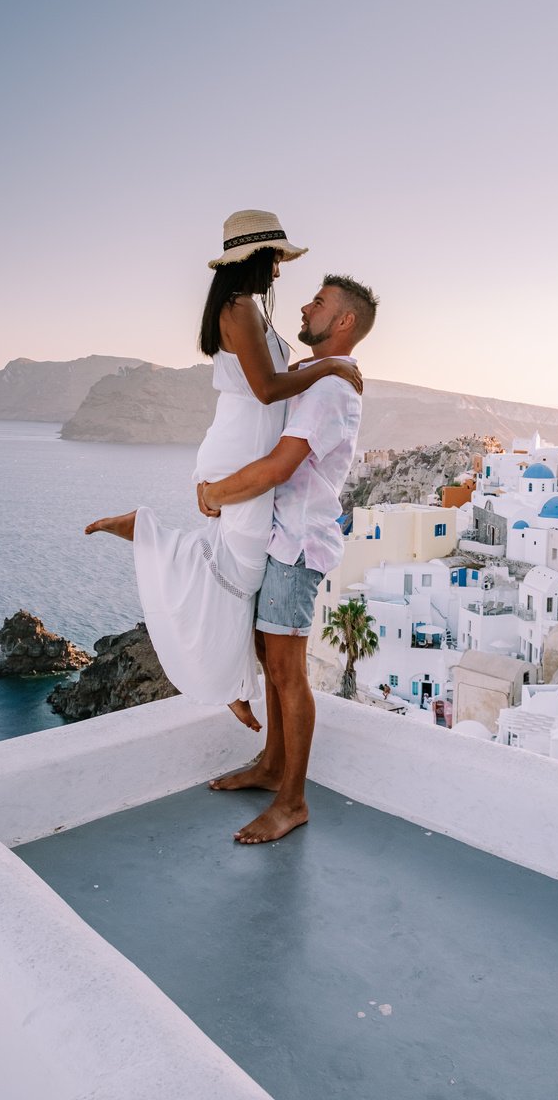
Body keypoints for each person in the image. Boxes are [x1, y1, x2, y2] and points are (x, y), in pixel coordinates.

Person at [84, 210, 361, 733]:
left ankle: (232, 679)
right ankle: (149, 537)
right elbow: (266, 390)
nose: (279, 272)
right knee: (240, 570)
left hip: (241, 446)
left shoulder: (245, 308)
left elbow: (276, 375)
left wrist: (312, 367)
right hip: (239, 452)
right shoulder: (239, 308)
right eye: (275, 260)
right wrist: (330, 365)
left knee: (240, 571)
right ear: (256, 259)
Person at [203, 274, 378, 843]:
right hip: (277, 538)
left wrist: (216, 492)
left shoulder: (329, 391)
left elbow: (280, 466)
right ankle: (272, 764)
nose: (306, 304)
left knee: (287, 671)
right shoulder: (313, 379)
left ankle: (293, 801)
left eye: (320, 302)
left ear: (345, 322)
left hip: (298, 544)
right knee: (268, 658)